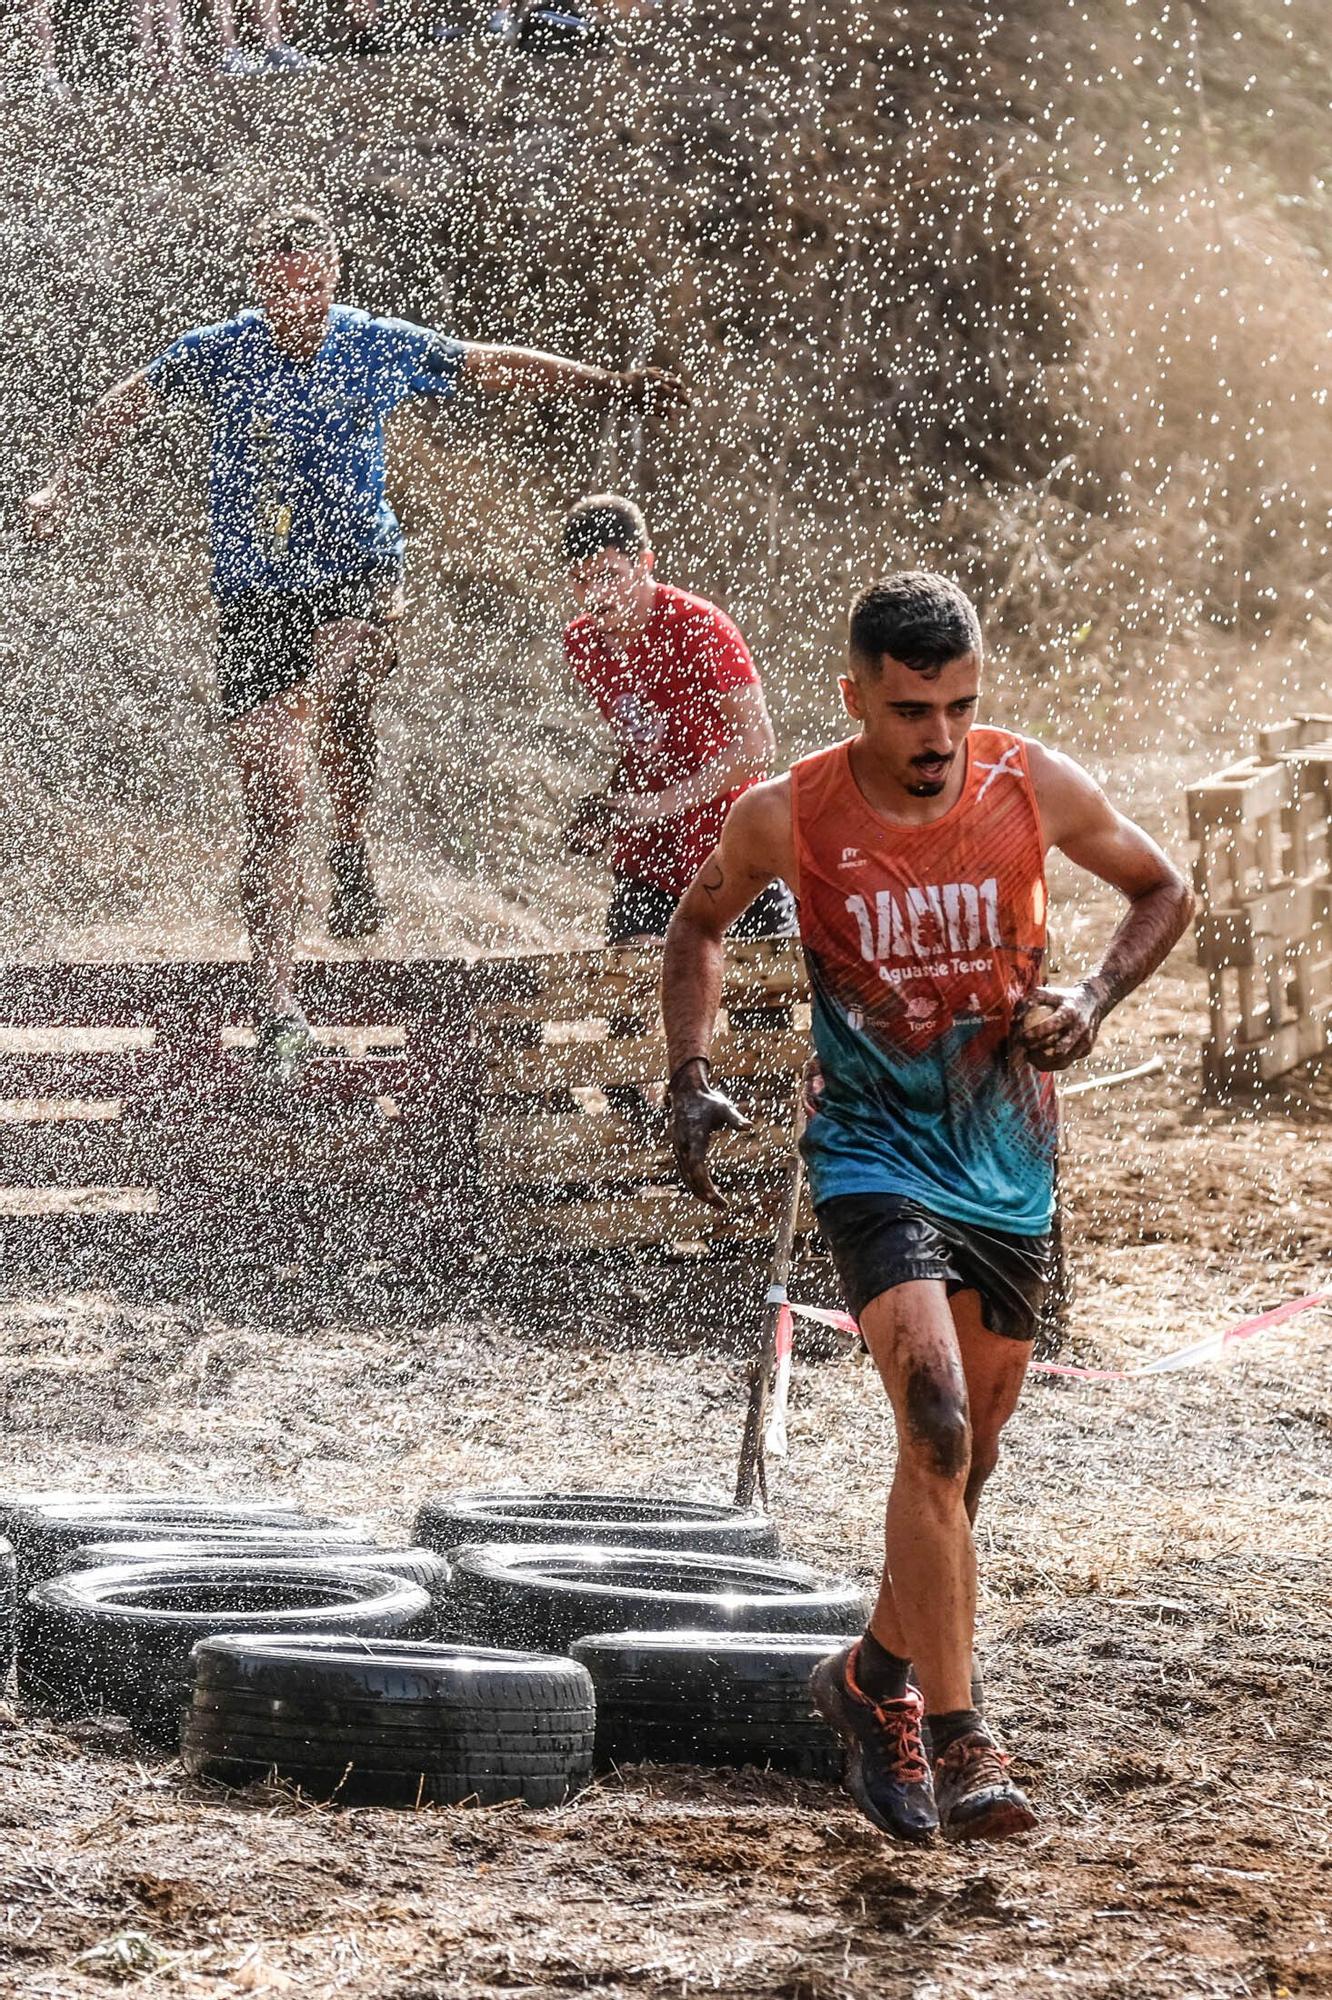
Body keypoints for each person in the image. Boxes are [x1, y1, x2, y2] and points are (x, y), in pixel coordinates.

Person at [661, 571, 1193, 1843]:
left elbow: (1163, 887)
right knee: (939, 1422)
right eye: (909, 711)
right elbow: (697, 926)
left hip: (1008, 1161)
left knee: (965, 1461)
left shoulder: (1033, 784)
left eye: (957, 705)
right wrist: (689, 1077)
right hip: (870, 1152)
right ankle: (961, 1738)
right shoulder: (788, 811)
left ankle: (867, 1679)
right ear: (856, 699)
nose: (938, 737)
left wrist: (1092, 1001)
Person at [25, 206, 687, 1077]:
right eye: (281, 281)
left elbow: (486, 365)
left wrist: (605, 382)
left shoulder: (371, 342)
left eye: (313, 280)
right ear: (259, 280)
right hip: (257, 599)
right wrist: (60, 485)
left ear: (333, 276)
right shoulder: (221, 349)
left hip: (359, 582)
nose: (298, 296)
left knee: (343, 684)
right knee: (271, 804)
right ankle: (279, 1004)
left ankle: (349, 837)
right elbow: (129, 401)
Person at [561, 494, 793, 944]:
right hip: (652, 855)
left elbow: (758, 746)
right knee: (627, 993)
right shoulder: (582, 644)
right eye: (581, 582)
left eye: (610, 576)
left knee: (764, 1001)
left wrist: (664, 803)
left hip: (735, 847)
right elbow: (641, 742)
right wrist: (607, 812)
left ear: (645, 563)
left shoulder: (699, 627)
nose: (597, 596)